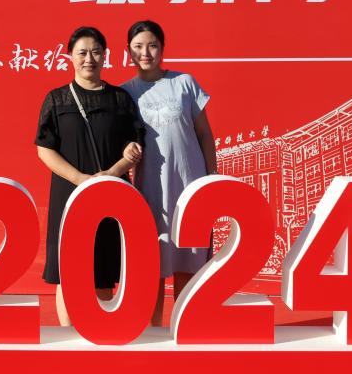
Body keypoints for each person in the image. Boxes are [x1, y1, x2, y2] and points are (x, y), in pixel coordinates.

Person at [36, 26, 143, 326]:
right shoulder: (57, 100)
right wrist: (80, 179)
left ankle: (101, 332)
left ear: (105, 56)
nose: (89, 59)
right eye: (82, 52)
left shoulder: (120, 99)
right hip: (68, 194)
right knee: (67, 270)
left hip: (111, 192)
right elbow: (44, 149)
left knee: (103, 267)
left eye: (96, 52)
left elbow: (135, 145)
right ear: (70, 56)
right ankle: (68, 335)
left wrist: (111, 173)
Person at [122, 20, 217, 327]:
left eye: (152, 45)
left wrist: (211, 178)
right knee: (152, 261)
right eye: (138, 47)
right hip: (151, 190)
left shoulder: (184, 83)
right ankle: (153, 332)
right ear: (129, 52)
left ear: (162, 48)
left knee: (190, 257)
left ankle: (186, 327)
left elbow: (204, 134)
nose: (145, 53)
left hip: (190, 184)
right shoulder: (125, 93)